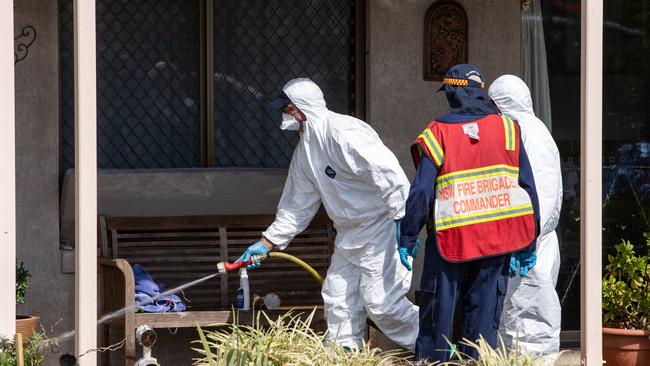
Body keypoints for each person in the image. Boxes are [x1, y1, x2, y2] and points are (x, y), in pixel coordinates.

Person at [234, 78, 419, 350]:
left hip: (380, 227)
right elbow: (297, 206)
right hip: (348, 233)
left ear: (301, 108)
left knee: (382, 304)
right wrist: (266, 242)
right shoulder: (305, 150)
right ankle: (344, 355)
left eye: (287, 108)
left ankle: (437, 347)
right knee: (338, 299)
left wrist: (404, 222)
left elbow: (388, 174)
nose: (284, 115)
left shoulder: (344, 132)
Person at [398, 64, 540, 363]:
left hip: (451, 243)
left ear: (451, 91)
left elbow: (422, 191)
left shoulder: (437, 133)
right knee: (482, 328)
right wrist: (528, 242)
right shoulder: (508, 130)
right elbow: (527, 188)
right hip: (496, 244)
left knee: (439, 321)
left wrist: (409, 234)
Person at [489, 75, 563, 357]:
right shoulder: (522, 130)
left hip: (531, 244)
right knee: (515, 320)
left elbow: (543, 196)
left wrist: (526, 239)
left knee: (532, 320)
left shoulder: (530, 134)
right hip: (524, 241)